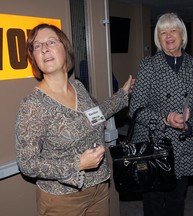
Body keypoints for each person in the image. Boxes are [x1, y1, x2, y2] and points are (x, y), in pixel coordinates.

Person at [15, 23, 134, 216]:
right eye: (37, 46)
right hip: (62, 200)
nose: (44, 48)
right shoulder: (33, 105)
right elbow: (27, 163)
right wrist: (77, 164)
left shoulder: (78, 87)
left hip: (99, 188)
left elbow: (96, 114)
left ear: (65, 49)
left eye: (51, 42)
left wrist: (122, 94)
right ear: (34, 59)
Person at [129, 13, 193, 216]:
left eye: (173, 30)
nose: (168, 35)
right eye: (162, 31)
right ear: (158, 38)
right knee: (153, 203)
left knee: (177, 200)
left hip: (184, 143)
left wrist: (189, 125)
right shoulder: (148, 65)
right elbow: (135, 108)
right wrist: (163, 120)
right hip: (153, 144)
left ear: (182, 34)